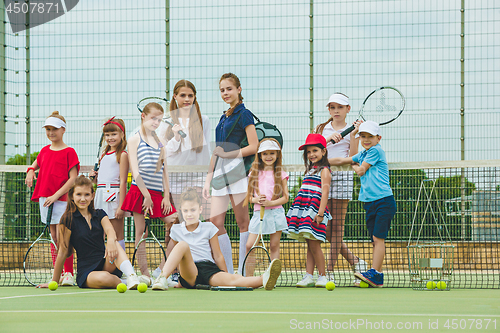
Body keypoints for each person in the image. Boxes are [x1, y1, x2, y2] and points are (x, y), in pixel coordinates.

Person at [151, 188, 281, 291]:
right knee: (182, 245)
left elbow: (218, 255)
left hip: (209, 269)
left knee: (233, 280)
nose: (189, 214)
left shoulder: (209, 227)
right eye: (185, 211)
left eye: (193, 210)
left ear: (200, 210)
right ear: (181, 212)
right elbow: (170, 255)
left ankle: (263, 278)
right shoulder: (176, 229)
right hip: (189, 273)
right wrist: (176, 278)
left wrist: (224, 274)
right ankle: (162, 279)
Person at [37, 176, 141, 290]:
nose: (83, 199)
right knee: (105, 278)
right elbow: (62, 251)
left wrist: (111, 240)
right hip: (87, 272)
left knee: (115, 243)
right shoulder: (67, 219)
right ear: (72, 196)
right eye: (79, 194)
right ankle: (125, 282)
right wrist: (54, 281)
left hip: (106, 262)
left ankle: (132, 277)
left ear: (93, 195)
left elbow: (110, 230)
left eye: (86, 194)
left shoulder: (100, 214)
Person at [203, 73, 259, 274]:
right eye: (222, 90)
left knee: (242, 222)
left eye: (229, 89)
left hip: (239, 174)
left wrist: (230, 154)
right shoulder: (222, 117)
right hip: (219, 175)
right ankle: (227, 271)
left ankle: (243, 272)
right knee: (215, 223)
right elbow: (217, 151)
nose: (225, 93)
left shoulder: (245, 114)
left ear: (239, 90)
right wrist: (208, 179)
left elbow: (254, 146)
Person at [329, 121, 397, 287]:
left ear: (378, 138)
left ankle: (376, 273)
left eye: (370, 137)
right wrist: (324, 161)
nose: (366, 140)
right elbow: (341, 160)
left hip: (383, 201)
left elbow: (360, 170)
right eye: (363, 136)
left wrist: (352, 163)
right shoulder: (364, 153)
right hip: (369, 202)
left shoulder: (375, 151)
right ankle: (376, 275)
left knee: (378, 238)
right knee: (374, 240)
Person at [121, 102, 178, 286]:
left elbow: (164, 171)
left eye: (160, 120)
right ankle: (144, 275)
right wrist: (145, 195)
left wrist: (166, 196)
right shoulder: (134, 139)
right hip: (140, 192)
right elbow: (135, 171)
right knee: (141, 233)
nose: (156, 122)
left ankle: (161, 272)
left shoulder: (160, 142)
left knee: (176, 224)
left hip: (158, 194)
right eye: (153, 118)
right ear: (143, 116)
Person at [314, 92, 367, 286]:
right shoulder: (321, 128)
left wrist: (353, 135)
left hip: (344, 177)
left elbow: (353, 156)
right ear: (329, 109)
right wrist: (327, 139)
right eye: (332, 107)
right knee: (324, 227)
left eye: (340, 107)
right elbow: (314, 152)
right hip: (323, 177)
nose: (336, 111)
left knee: (337, 227)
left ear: (348, 109)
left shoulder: (353, 130)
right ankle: (355, 261)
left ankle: (329, 271)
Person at [25, 111, 79, 286]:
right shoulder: (44, 151)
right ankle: (59, 273)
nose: (50, 132)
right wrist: (31, 171)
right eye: (47, 129)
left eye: (54, 129)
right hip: (45, 199)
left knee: (64, 237)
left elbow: (73, 179)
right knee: (53, 236)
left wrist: (56, 195)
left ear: (63, 130)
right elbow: (34, 165)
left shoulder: (70, 152)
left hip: (62, 200)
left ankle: (69, 273)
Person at [287, 134, 332, 288]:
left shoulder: (325, 170)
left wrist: (320, 213)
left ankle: (323, 276)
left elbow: (325, 193)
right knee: (310, 243)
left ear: (323, 151)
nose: (311, 154)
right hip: (304, 209)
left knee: (314, 244)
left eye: (315, 150)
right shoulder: (310, 170)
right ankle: (309, 276)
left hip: (315, 211)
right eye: (308, 152)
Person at [164, 80, 211, 216]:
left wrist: (207, 178)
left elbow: (206, 151)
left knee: (208, 215)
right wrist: (176, 137)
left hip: (197, 176)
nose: (187, 99)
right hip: (175, 176)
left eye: (190, 96)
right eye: (183, 95)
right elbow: (164, 152)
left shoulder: (204, 120)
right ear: (175, 96)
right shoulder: (166, 121)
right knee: (181, 220)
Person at [243, 138, 288, 275]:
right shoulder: (253, 173)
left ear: (277, 155)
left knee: (274, 246)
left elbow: (286, 197)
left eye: (272, 153)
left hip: (276, 214)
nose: (268, 157)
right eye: (265, 153)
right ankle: (249, 279)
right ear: (260, 156)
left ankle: (272, 278)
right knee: (250, 246)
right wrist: (256, 199)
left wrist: (270, 203)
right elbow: (248, 197)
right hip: (259, 214)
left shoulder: (281, 173)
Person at [89, 117, 129, 252]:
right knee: (100, 233)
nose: (110, 138)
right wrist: (93, 178)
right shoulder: (104, 154)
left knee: (117, 235)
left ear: (122, 134)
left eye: (114, 134)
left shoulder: (123, 155)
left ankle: (122, 268)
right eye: (107, 135)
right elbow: (99, 181)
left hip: (114, 198)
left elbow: (123, 181)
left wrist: (122, 206)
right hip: (100, 196)